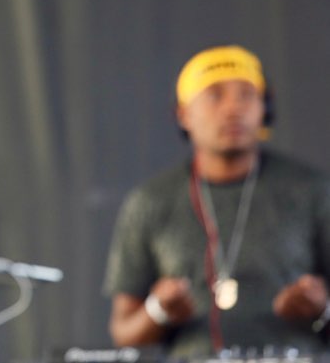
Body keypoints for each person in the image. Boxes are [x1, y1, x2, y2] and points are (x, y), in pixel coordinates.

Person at [104, 45, 330, 358]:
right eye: (214, 95)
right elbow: (124, 332)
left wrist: (322, 309)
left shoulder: (314, 191)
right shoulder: (149, 202)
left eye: (247, 95)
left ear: (265, 109)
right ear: (184, 114)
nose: (233, 108)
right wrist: (159, 311)